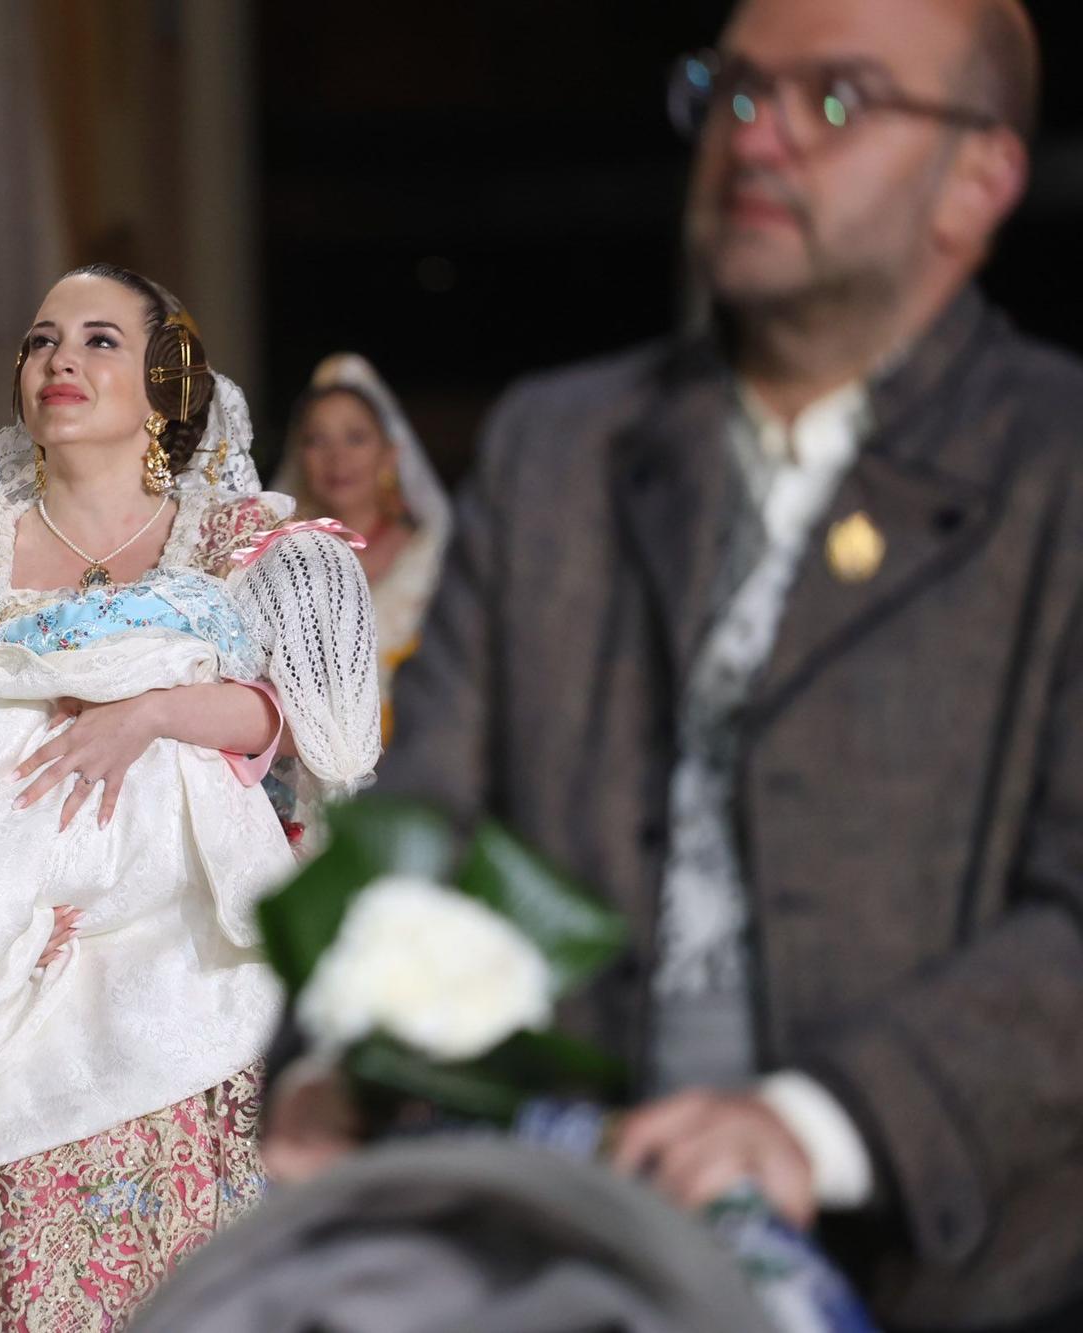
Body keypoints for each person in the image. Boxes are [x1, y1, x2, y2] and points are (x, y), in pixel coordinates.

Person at [378, 1, 1083, 1328]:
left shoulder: (1058, 464)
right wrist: (349, 1054)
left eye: (835, 101)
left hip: (965, 1274)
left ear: (979, 176)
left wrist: (813, 1126)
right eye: (734, 89)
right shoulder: (555, 450)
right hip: (560, 1240)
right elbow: (423, 819)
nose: (756, 139)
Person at [0, 263, 380, 1331]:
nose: (60, 362)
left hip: (167, 970)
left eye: (97, 341)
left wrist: (145, 714)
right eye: (42, 340)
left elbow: (284, 721)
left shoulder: (228, 538)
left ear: (161, 381)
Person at [273, 353, 452, 738]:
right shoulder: (282, 561)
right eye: (316, 440)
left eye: (356, 438)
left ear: (389, 453)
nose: (337, 459)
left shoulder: (434, 555)